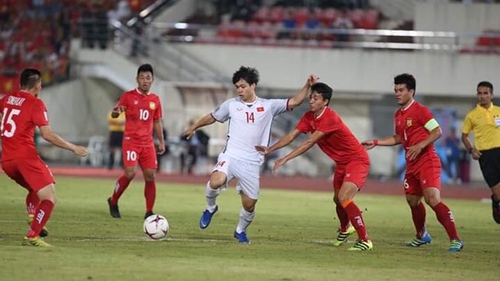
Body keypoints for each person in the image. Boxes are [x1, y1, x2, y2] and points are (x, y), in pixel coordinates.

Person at [182, 66, 313, 243]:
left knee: (249, 204)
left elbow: (295, 102)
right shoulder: (232, 104)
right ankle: (211, 208)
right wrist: (194, 127)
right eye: (237, 87)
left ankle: (240, 230)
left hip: (251, 162)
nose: (239, 90)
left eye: (243, 86)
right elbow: (213, 116)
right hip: (231, 156)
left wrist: (307, 85)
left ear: (253, 85)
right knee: (216, 181)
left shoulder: (268, 106)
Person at [256, 82, 373, 251]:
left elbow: (309, 142)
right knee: (338, 200)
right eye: (311, 97)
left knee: (344, 198)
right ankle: (345, 228)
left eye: (315, 98)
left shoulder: (330, 117)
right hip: (342, 163)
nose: (311, 101)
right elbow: (291, 135)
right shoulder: (309, 117)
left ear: (325, 102)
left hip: (357, 160)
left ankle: (365, 240)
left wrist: (285, 159)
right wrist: (270, 149)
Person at [362, 73, 463, 252]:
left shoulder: (420, 110)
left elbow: (437, 131)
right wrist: (376, 142)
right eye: (395, 90)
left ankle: (455, 239)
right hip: (412, 164)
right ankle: (422, 235)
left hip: (427, 161)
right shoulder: (398, 114)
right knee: (413, 201)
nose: (397, 93)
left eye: (401, 90)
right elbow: (399, 138)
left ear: (411, 91)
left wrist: (420, 145)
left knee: (432, 199)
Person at [0, 68, 88, 247]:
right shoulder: (36, 104)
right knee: (49, 197)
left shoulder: (7, 99)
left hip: (7, 161)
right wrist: (73, 148)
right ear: (38, 85)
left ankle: (33, 215)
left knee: (36, 189)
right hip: (26, 158)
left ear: (21, 84)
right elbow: (48, 135)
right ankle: (32, 235)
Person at [107, 64, 166, 219]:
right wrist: (115, 112)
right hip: (131, 141)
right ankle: (113, 200)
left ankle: (149, 211)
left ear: (152, 80)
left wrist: (161, 141)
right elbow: (116, 113)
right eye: (142, 78)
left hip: (148, 144)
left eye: (148, 78)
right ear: (137, 79)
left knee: (150, 175)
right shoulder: (128, 96)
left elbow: (157, 122)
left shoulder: (155, 100)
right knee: (130, 173)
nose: (145, 81)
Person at [461, 81, 500, 224]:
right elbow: (464, 136)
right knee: (497, 193)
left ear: (491, 95)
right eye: (479, 93)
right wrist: (472, 150)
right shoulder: (472, 115)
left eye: (485, 93)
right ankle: (496, 202)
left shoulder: (498, 111)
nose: (482, 96)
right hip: (486, 156)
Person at [107, 102, 125, 170]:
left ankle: (122, 164)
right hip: (113, 132)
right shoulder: (112, 112)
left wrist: (118, 122)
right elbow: (111, 120)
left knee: (122, 149)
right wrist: (120, 122)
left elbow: (125, 121)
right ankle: (110, 164)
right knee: (112, 148)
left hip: (121, 132)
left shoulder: (124, 113)